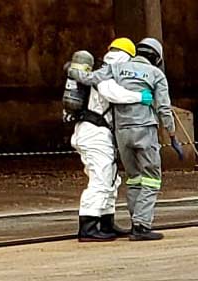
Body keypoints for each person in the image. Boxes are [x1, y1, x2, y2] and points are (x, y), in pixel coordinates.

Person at [71, 37, 181, 241]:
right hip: (135, 131)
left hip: (119, 133)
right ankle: (135, 225)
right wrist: (172, 134)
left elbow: (87, 79)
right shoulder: (152, 73)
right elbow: (161, 107)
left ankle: (107, 223)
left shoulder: (112, 70)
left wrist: (71, 70)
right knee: (143, 179)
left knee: (124, 178)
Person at [69, 38, 150, 242]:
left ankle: (105, 222)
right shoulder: (105, 75)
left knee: (111, 178)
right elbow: (113, 94)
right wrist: (140, 97)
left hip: (97, 133)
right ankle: (88, 227)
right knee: (100, 178)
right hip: (94, 132)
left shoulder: (105, 71)